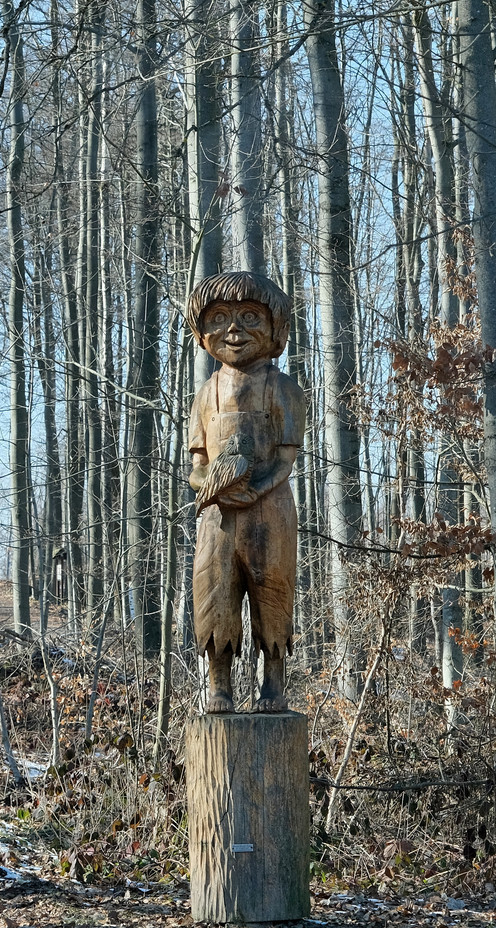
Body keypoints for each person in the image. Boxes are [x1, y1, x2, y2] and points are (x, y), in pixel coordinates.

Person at [186, 271, 306, 713]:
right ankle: (219, 685)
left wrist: (254, 488)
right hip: (217, 517)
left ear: (277, 330)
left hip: (269, 512)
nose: (233, 330)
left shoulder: (283, 389)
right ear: (201, 334)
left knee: (271, 591)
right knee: (214, 592)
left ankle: (272, 683)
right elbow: (196, 466)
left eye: (250, 317)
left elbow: (285, 458)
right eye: (218, 318)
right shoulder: (205, 394)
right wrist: (212, 487)